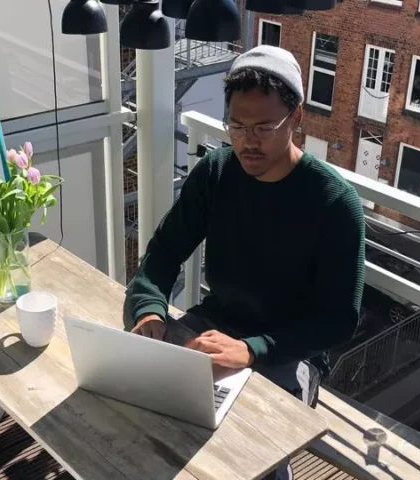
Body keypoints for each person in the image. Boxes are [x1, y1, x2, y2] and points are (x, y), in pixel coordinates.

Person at [123, 45, 365, 480]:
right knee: (146, 407)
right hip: (215, 325)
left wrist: (252, 351)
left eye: (264, 127)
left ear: (298, 117)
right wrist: (149, 308)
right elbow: (162, 253)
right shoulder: (216, 172)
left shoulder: (334, 202)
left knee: (250, 451)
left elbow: (338, 321)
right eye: (235, 124)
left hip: (290, 350)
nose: (247, 141)